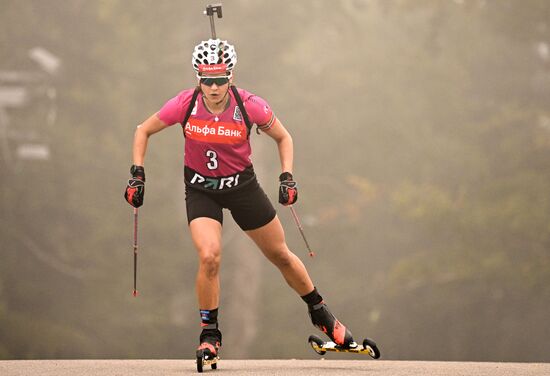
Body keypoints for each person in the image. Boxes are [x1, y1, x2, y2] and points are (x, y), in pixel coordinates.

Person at [124, 38, 356, 360]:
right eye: (207, 80)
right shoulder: (185, 104)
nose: (214, 87)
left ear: (231, 76)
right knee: (209, 256)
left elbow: (283, 137)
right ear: (198, 78)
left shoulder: (249, 105)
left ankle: (321, 314)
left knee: (281, 255)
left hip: (242, 188)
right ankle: (209, 334)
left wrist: (286, 176)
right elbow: (142, 130)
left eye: (220, 79)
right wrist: (137, 173)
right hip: (202, 190)